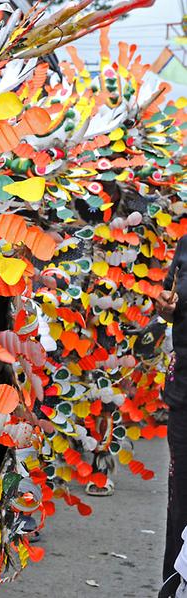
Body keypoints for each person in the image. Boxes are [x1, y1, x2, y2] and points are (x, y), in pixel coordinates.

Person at [154, 234, 187, 590]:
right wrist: (165, 306)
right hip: (184, 393)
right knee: (182, 495)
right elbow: (169, 299)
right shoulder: (185, 244)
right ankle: (176, 585)